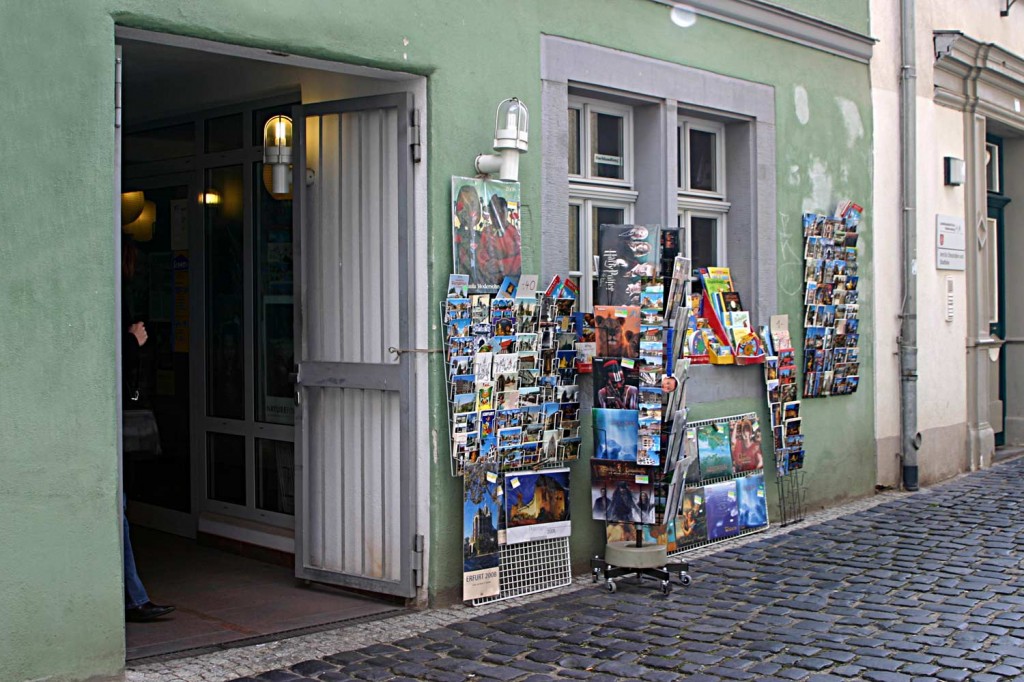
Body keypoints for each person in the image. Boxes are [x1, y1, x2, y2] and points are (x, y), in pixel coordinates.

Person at [121, 237, 175, 623]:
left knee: (120, 512)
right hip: (112, 418)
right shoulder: (116, 294)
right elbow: (109, 354)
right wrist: (133, 341)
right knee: (118, 511)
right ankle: (133, 598)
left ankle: (134, 597)